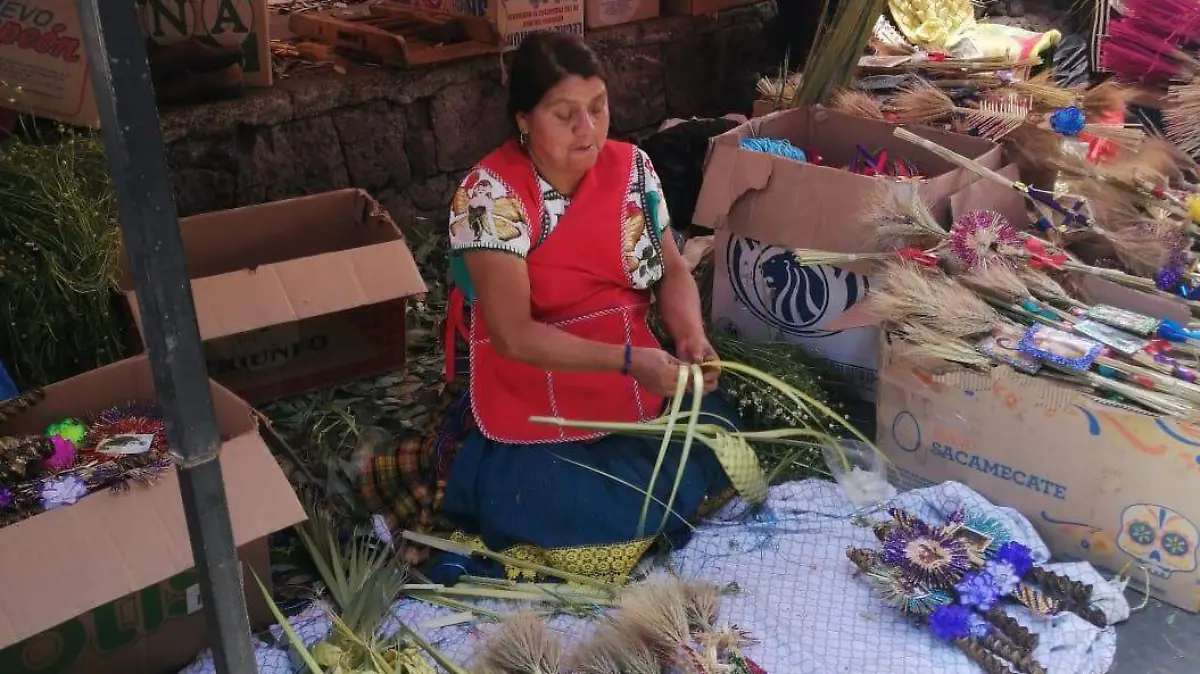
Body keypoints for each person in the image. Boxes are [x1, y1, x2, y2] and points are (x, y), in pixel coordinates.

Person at [421, 31, 738, 583]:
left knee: (713, 438)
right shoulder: (489, 195)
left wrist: (691, 336)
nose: (587, 129)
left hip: (633, 379)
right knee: (568, 496)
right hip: (534, 389)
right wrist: (628, 361)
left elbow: (670, 268)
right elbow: (515, 334)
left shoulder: (633, 171)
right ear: (524, 119)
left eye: (597, 109)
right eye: (564, 114)